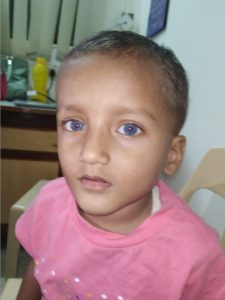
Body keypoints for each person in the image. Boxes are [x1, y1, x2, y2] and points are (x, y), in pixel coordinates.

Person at [15, 31, 225, 300]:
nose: (91, 153)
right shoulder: (49, 202)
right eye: (74, 124)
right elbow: (39, 265)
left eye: (129, 128)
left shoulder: (196, 255)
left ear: (171, 155)